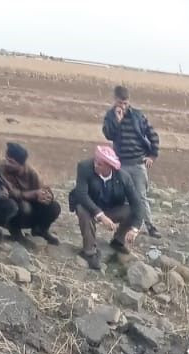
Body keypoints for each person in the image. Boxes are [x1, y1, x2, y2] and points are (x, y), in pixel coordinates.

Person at [68, 145, 140, 271]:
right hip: (90, 207)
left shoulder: (124, 177)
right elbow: (81, 194)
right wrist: (100, 215)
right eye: (95, 161)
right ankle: (89, 252)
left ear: (109, 167)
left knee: (129, 210)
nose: (95, 165)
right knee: (81, 209)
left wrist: (134, 229)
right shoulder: (84, 167)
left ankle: (118, 241)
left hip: (111, 208)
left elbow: (137, 204)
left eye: (100, 164)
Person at [101, 86, 160, 237]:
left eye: (126, 103)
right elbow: (109, 135)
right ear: (115, 101)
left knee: (141, 195)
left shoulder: (138, 115)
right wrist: (117, 121)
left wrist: (152, 155)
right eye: (121, 103)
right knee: (123, 196)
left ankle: (150, 226)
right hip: (120, 163)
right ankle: (127, 226)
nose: (124, 106)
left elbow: (152, 134)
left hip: (138, 163)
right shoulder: (110, 116)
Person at [0, 143, 61, 244]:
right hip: (13, 207)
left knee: (54, 207)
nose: (7, 163)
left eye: (11, 162)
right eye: (7, 159)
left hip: (31, 209)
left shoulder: (32, 174)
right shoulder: (1, 167)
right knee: (22, 207)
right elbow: (9, 191)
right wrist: (32, 194)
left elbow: (47, 192)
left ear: (21, 164)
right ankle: (15, 231)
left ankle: (40, 230)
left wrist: (46, 197)